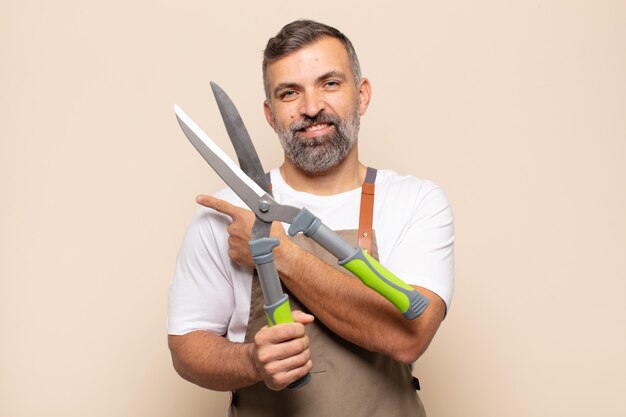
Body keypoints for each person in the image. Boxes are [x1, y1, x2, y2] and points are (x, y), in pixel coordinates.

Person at [168, 19, 454, 417]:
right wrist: (251, 360)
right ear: (270, 114)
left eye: (330, 83)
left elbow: (409, 337)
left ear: (362, 95)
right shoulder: (225, 214)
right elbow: (187, 349)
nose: (311, 107)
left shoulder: (416, 202)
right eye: (290, 93)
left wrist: (278, 251)